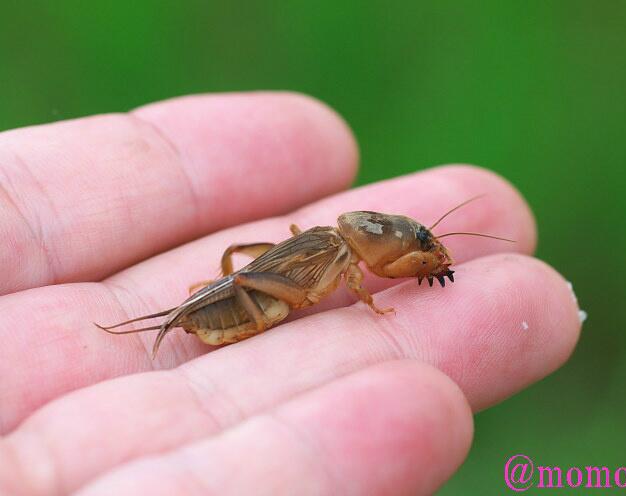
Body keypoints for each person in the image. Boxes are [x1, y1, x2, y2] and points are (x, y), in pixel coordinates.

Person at [0, 92, 581, 495]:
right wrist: (371, 301)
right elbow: (362, 278)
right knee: (243, 274)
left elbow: (384, 265)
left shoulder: (350, 242)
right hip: (249, 303)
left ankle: (208, 299)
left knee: (246, 270)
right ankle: (203, 307)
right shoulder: (342, 253)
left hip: (268, 288)